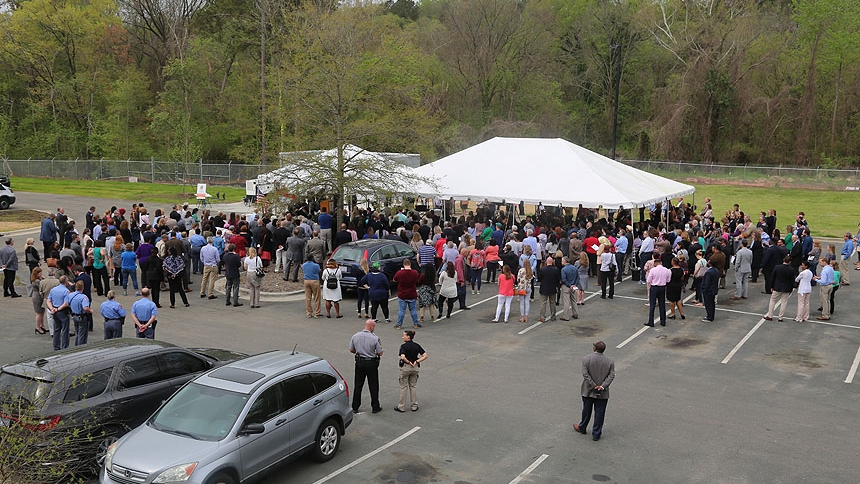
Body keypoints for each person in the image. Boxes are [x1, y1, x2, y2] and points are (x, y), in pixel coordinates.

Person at [573, 341, 616, 441]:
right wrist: (602, 387)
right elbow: (611, 375)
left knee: (586, 410)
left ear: (595, 348)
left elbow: (585, 374)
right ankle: (596, 434)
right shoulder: (610, 361)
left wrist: (593, 385)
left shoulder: (586, 359)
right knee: (600, 412)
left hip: (588, 390)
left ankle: (582, 427)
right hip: (602, 392)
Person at [348, 319, 383, 414]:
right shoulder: (375, 338)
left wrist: (359, 352)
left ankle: (355, 406)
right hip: (371, 363)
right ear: (371, 327)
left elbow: (351, 350)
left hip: (360, 362)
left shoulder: (355, 336)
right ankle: (375, 407)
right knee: (373, 385)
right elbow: (380, 352)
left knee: (358, 385)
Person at [394, 330, 427, 412]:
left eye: (404, 335)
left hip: (406, 367)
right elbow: (425, 355)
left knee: (403, 387)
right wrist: (417, 361)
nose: (403, 337)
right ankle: (414, 405)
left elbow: (402, 357)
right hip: (415, 368)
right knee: (413, 386)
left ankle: (401, 406)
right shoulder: (416, 346)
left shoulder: (403, 346)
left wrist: (408, 362)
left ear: (408, 336)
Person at [764, 256, 796, 322]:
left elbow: (773, 277)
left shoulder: (777, 267)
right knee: (784, 302)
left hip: (777, 287)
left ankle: (770, 315)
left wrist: (771, 286)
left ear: (783, 260)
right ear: (790, 262)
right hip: (786, 288)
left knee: (772, 300)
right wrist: (791, 289)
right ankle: (780, 317)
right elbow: (792, 280)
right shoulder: (791, 269)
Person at [393, 258, 421, 329]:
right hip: (412, 294)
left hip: (402, 294)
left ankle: (399, 325)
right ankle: (416, 323)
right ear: (410, 264)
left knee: (402, 310)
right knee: (413, 310)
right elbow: (417, 281)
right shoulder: (415, 272)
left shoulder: (399, 273)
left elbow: (394, 279)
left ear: (403, 264)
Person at [47, 275, 71, 350]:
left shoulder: (53, 290)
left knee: (56, 329)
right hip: (62, 311)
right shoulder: (66, 291)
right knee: (65, 330)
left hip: (55, 311)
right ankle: (64, 347)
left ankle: (56, 347)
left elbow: (48, 300)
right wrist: (58, 309)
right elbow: (66, 303)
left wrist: (52, 309)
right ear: (66, 281)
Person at [645, 256, 671, 326]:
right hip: (662, 287)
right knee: (662, 305)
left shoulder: (653, 270)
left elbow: (648, 280)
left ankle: (651, 321)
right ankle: (663, 321)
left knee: (652, 305)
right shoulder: (666, 270)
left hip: (654, 287)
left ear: (655, 263)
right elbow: (668, 280)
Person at [537, 256, 560, 322]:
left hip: (544, 288)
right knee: (552, 303)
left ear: (547, 262)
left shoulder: (543, 270)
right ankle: (553, 316)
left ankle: (542, 317)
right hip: (552, 288)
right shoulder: (555, 269)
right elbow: (558, 279)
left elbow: (539, 279)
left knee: (543, 303)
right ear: (552, 262)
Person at [30, 267, 49, 334]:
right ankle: (38, 327)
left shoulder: (37, 280)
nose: (41, 274)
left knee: (42, 312)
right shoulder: (37, 281)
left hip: (39, 296)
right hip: (37, 297)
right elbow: (42, 287)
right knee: (39, 313)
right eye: (40, 273)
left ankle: (42, 325)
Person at [559, 256, 579, 321]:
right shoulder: (574, 268)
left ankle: (566, 316)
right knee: (573, 300)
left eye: (562, 261)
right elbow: (577, 278)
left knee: (566, 302)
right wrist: (574, 285)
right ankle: (575, 314)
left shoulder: (564, 269)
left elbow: (564, 279)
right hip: (573, 286)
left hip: (566, 286)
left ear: (565, 261)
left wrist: (569, 285)